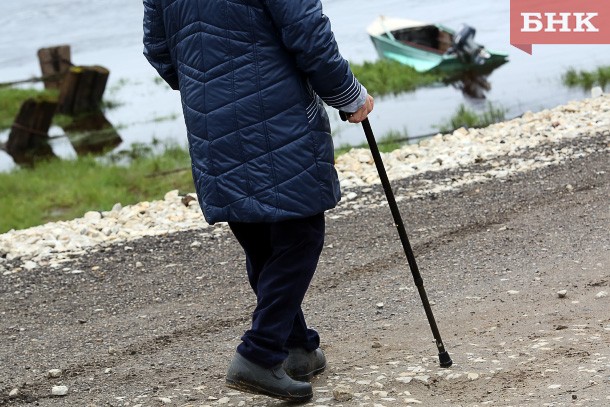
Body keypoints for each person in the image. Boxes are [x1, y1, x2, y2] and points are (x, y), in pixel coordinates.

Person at [143, 0, 373, 402]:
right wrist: (348, 95)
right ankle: (259, 352)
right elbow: (309, 34)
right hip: (277, 114)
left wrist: (210, 83)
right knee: (301, 234)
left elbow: (158, 49)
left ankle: (298, 348)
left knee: (261, 239)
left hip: (210, 121)